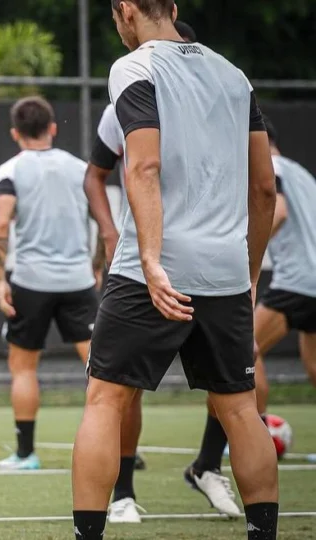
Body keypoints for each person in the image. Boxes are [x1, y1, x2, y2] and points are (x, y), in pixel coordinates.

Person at [71, 1, 279, 539]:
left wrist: (149, 259)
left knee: (104, 400)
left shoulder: (135, 66)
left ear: (127, 9)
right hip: (226, 272)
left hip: (153, 272)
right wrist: (248, 272)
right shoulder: (233, 74)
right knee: (239, 409)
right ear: (175, 8)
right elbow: (264, 188)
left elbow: (143, 163)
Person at [83, 19, 199, 521]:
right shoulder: (131, 99)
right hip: (171, 261)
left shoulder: (219, 94)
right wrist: (110, 233)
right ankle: (125, 493)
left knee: (107, 393)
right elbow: (98, 174)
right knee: (117, 388)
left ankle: (210, 466)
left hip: (170, 262)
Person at [185, 114, 316, 513]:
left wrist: (242, 258)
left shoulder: (271, 168)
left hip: (297, 282)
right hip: (312, 281)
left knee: (242, 356)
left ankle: (212, 460)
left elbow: (276, 212)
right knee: (313, 367)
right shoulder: (303, 174)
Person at [0, 96, 99, 471]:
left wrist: (0, 277)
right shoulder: (81, 168)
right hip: (78, 280)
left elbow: (2, 224)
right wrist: (97, 267)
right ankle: (115, 445)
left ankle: (25, 454)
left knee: (23, 369)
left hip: (31, 281)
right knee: (102, 369)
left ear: (15, 133)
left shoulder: (10, 170)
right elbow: (105, 222)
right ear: (52, 128)